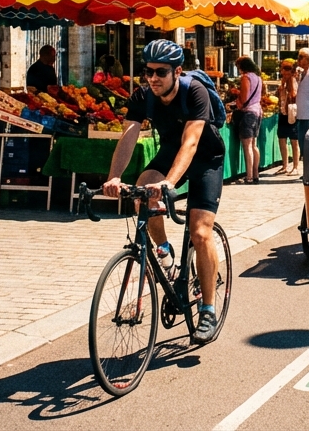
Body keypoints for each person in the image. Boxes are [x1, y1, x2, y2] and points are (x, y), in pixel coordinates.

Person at [105, 40, 226, 344]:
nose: (153, 78)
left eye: (160, 72)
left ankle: (208, 309)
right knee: (143, 188)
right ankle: (166, 255)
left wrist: (169, 182)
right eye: (148, 71)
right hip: (171, 153)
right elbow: (129, 136)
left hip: (205, 159)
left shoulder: (194, 92)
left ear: (177, 71)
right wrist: (114, 177)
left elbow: (192, 142)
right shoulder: (143, 96)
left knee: (199, 232)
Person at [231, 56, 263, 184]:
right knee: (254, 145)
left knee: (247, 145)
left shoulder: (246, 77)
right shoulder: (258, 78)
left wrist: (236, 95)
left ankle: (249, 176)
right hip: (257, 111)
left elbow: (244, 98)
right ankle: (255, 174)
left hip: (248, 113)